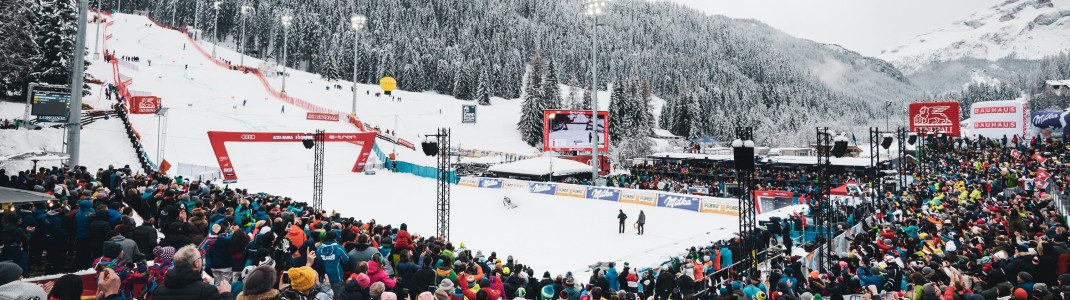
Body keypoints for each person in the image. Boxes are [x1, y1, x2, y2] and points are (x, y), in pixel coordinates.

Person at [153, 245, 234, 299]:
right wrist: (226, 294)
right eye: (200, 257)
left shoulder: (158, 291)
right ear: (196, 263)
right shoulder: (207, 291)